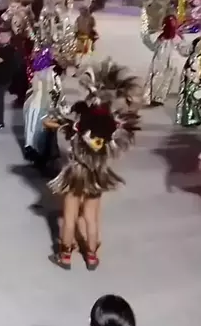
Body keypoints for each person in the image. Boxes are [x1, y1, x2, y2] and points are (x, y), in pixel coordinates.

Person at [46, 59, 141, 271]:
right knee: (91, 217)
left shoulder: (83, 118)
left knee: (69, 217)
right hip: (97, 173)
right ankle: (91, 256)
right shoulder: (112, 123)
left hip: (76, 173)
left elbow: (59, 126)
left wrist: (61, 122)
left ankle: (65, 256)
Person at [0, 22, 20, 131]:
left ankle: (0, 122)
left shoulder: (8, 49)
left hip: (3, 79)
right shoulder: (1, 48)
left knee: (0, 102)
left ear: (8, 37)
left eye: (2, 36)